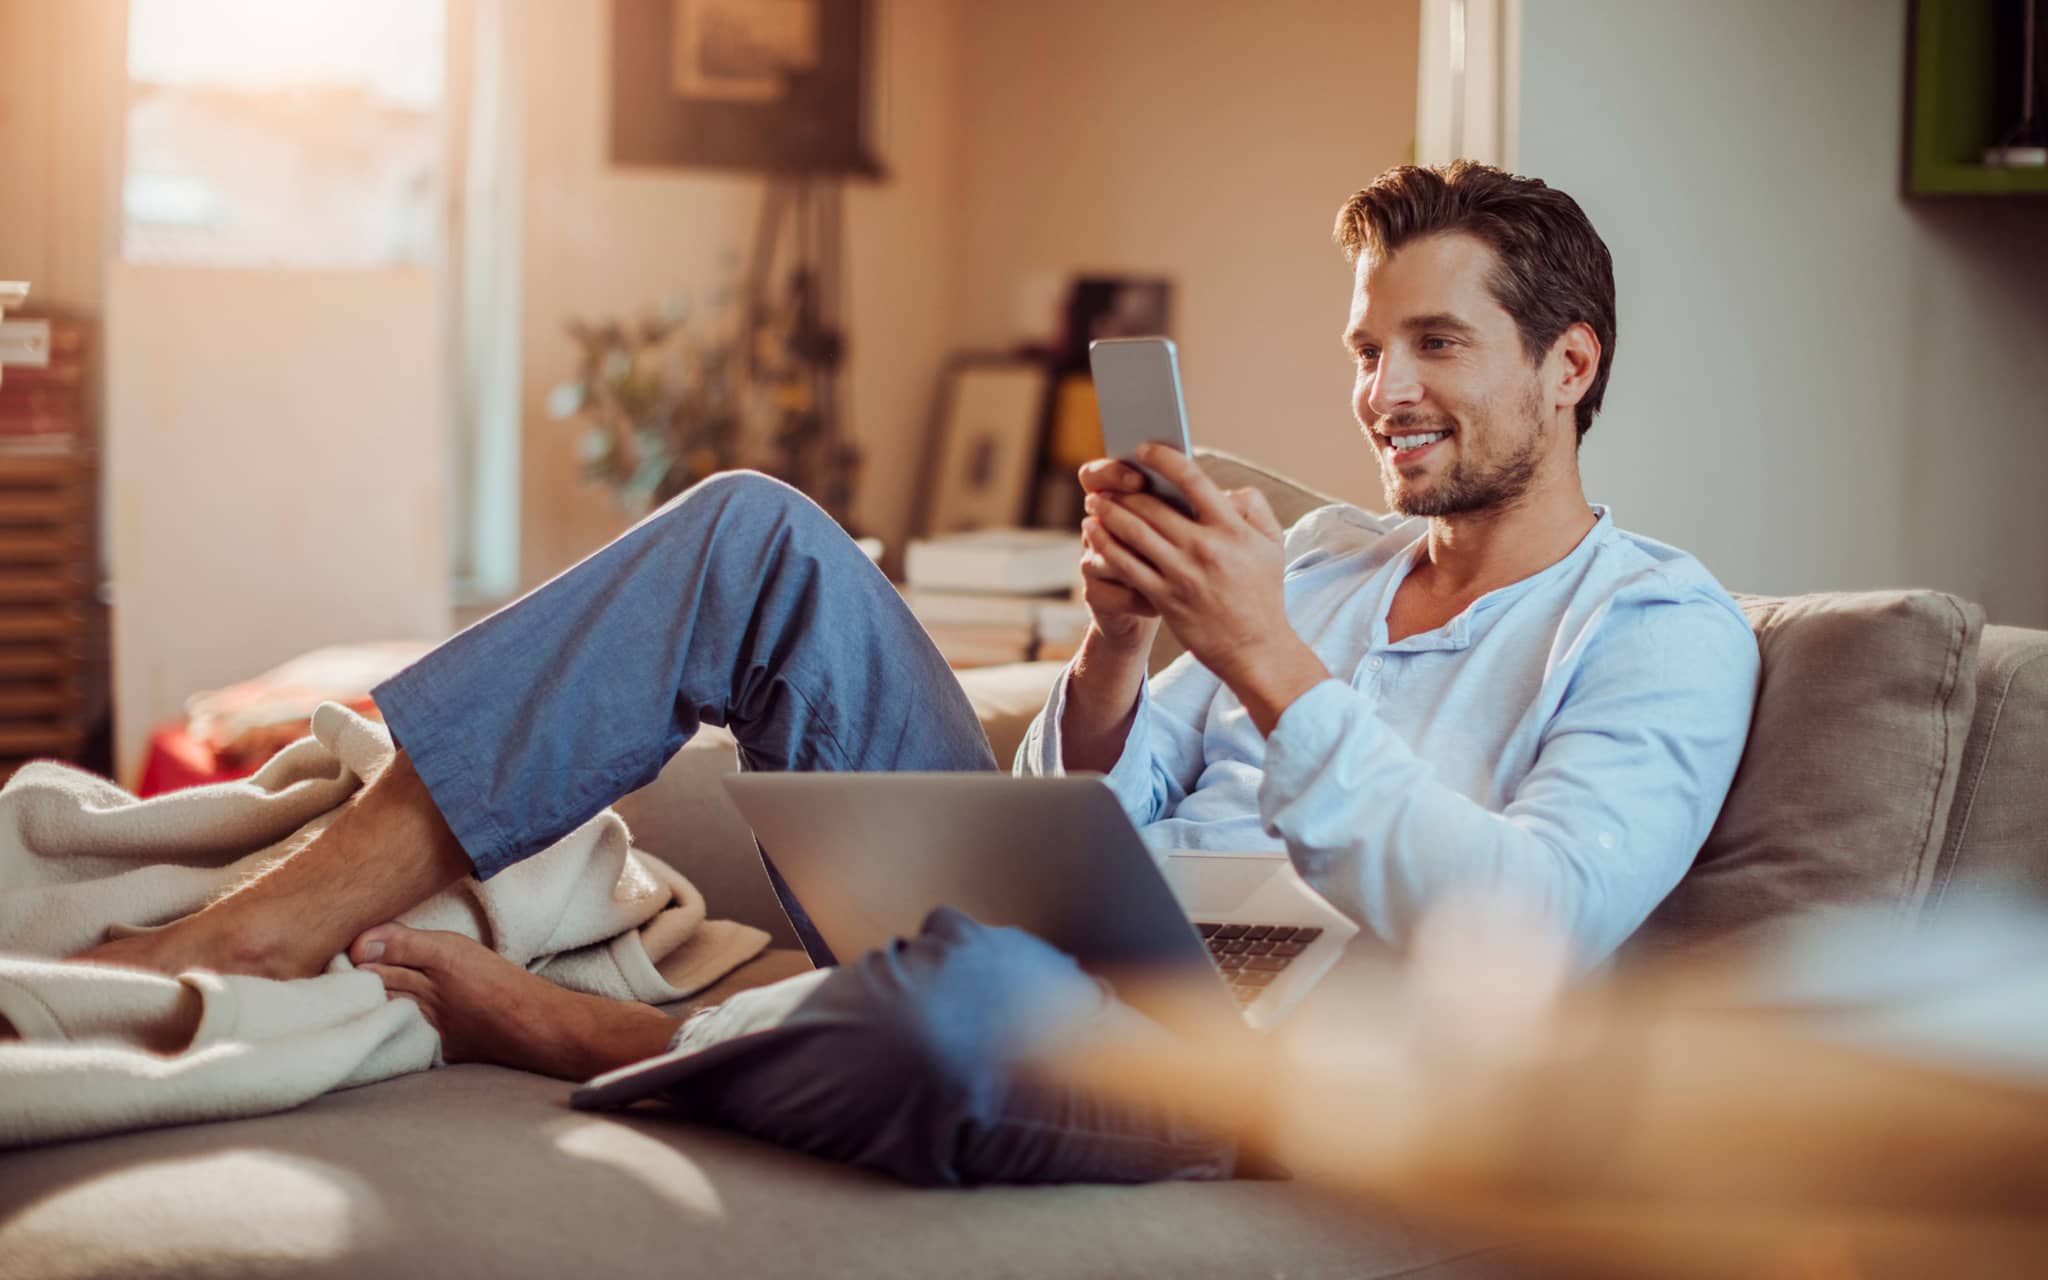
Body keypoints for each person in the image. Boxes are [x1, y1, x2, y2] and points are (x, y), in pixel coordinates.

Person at [72, 161, 1758, 1187]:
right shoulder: (1328, 558)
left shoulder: (1658, 631)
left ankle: (611, 1037)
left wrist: (1264, 658)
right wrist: (1115, 650)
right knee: (754, 531)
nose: (1382, 390)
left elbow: (1529, 931)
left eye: (1436, 345)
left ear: (1571, 362)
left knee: (975, 1007)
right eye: (1366, 349)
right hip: (1076, 941)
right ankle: (273, 922)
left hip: (1244, 1056)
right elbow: (1068, 826)